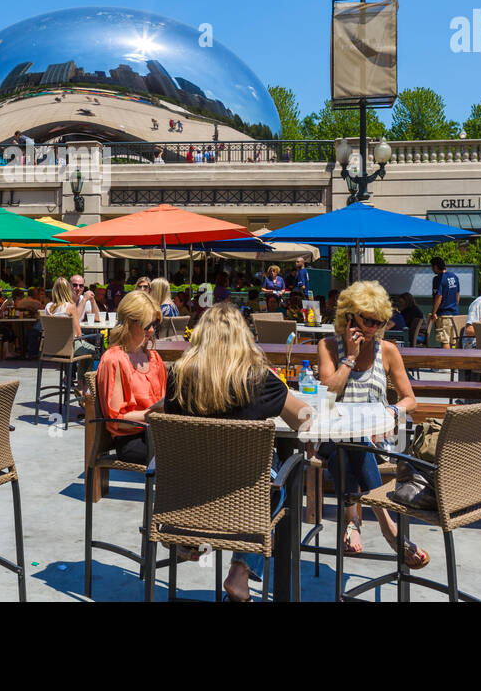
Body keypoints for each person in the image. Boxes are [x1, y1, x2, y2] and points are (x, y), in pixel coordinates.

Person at [163, 302, 311, 600]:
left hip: (187, 496)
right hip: (243, 500)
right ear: (244, 337)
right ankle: (240, 572)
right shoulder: (260, 380)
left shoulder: (177, 377)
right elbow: (303, 419)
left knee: (207, 468)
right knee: (286, 473)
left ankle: (189, 536)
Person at [315, 281, 426, 567]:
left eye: (379, 322)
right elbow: (327, 396)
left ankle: (351, 521)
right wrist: (349, 358)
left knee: (354, 445)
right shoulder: (328, 346)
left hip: (377, 439)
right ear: (349, 316)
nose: (373, 328)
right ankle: (388, 525)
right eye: (368, 321)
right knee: (348, 442)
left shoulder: (387, 350)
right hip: (332, 435)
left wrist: (392, 411)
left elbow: (409, 399)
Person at [94, 290, 167, 465]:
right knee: (188, 457)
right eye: (146, 324)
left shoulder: (153, 358)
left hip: (157, 433)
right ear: (129, 323)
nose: (151, 330)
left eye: (154, 324)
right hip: (132, 439)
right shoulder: (115, 360)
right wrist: (152, 415)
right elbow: (116, 420)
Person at [45, 276, 102, 362]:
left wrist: (92, 301)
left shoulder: (48, 306)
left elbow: (97, 318)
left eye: (81, 286)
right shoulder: (71, 306)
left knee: (86, 346)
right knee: (98, 350)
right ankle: (83, 375)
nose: (78, 288)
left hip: (52, 346)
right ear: (68, 287)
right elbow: (79, 334)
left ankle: (71, 374)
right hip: (70, 345)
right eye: (74, 285)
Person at [427, 257, 461, 349]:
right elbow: (457, 294)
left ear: (435, 267)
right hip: (454, 315)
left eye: (432, 267)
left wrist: (434, 313)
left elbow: (439, 296)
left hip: (444, 315)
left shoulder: (438, 279)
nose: (432, 269)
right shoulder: (454, 276)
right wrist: (455, 307)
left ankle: (447, 362)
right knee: (453, 341)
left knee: (444, 340)